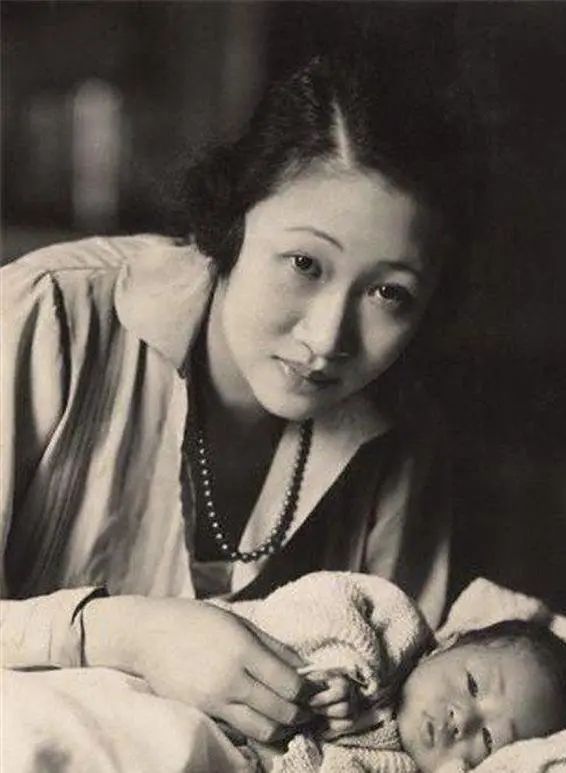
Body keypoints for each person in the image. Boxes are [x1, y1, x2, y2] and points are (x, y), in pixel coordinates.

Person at [1, 53, 478, 743]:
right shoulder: (46, 316)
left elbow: (403, 714)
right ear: (231, 220)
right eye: (305, 264)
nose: (326, 338)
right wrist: (126, 633)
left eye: (388, 293)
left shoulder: (402, 435)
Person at [209, 571, 566, 772]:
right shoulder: (396, 629)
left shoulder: (398, 766)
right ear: (448, 645)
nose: (463, 719)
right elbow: (319, 598)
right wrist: (337, 667)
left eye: (488, 738)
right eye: (472, 685)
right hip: (210, 672)